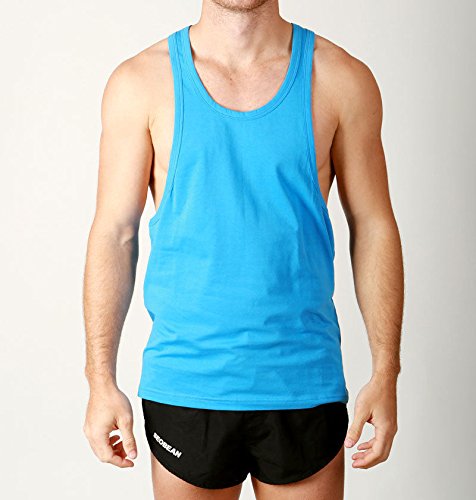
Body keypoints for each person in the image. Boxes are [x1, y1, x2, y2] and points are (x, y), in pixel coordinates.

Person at [82, 1, 403, 498]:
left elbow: (374, 225)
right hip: (188, 383)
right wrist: (99, 379)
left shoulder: (341, 79)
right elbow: (114, 233)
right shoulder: (140, 82)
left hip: (303, 383)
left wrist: (386, 373)